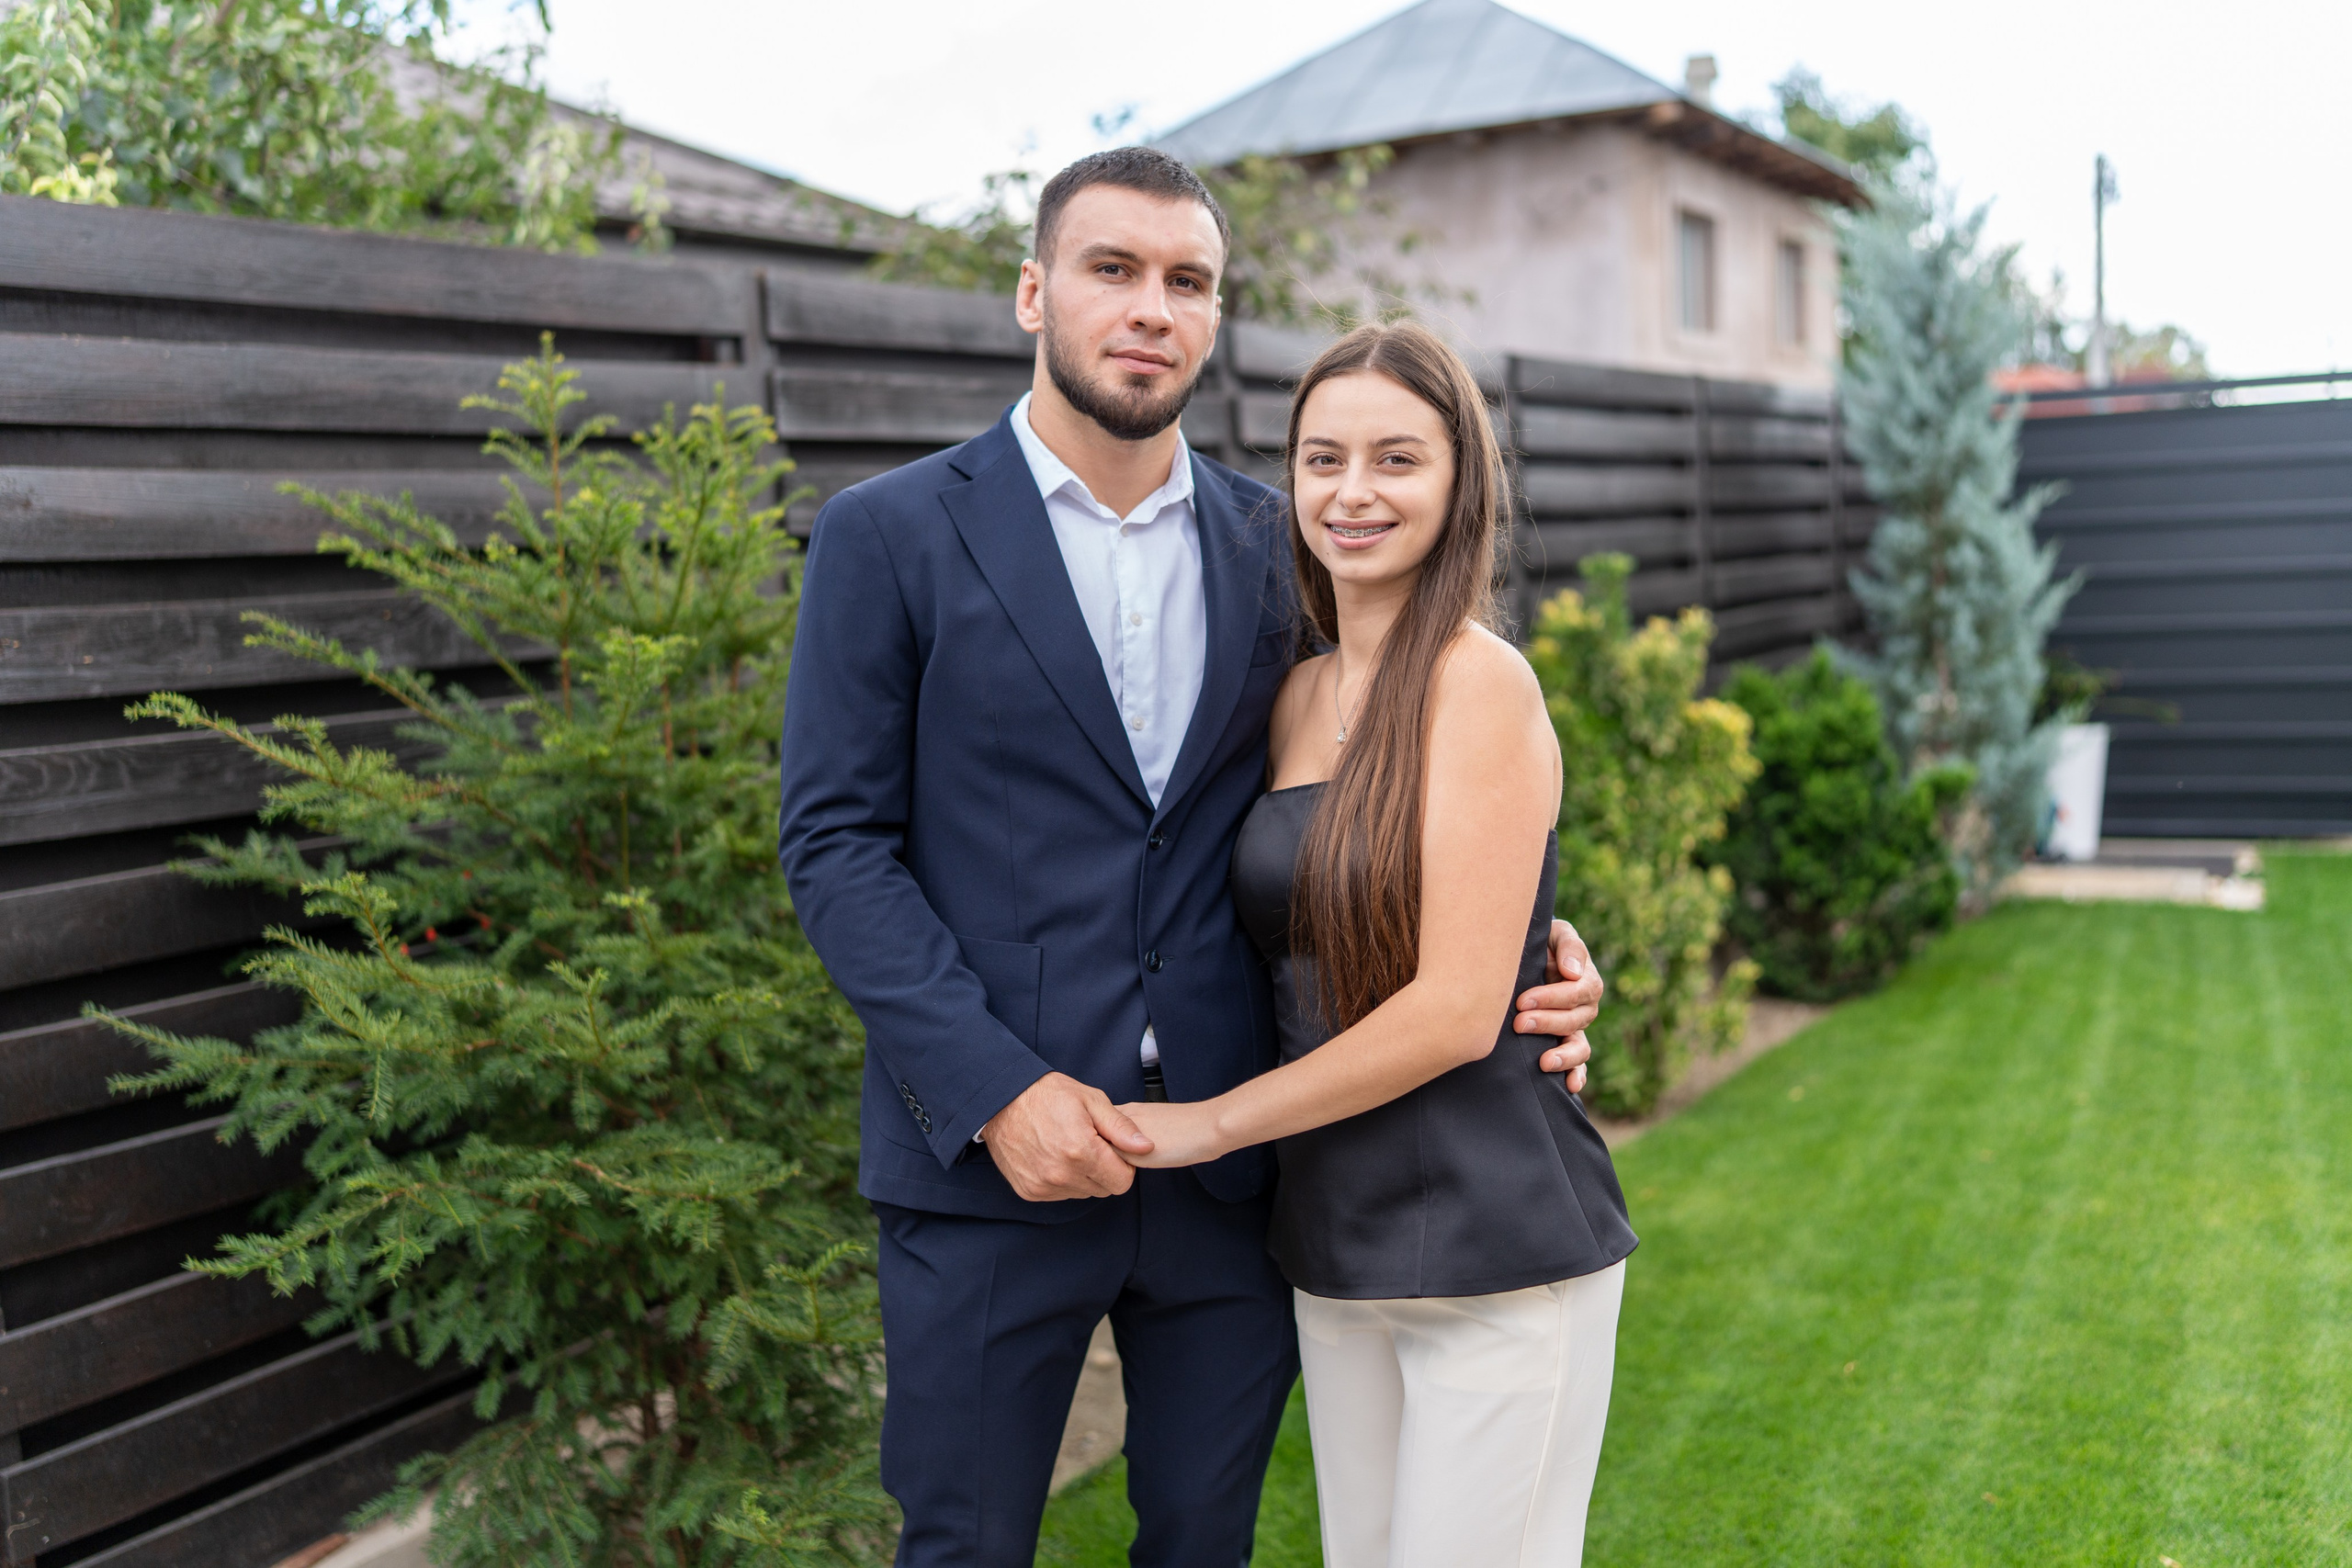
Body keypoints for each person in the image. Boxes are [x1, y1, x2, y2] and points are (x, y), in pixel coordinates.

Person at [776, 147, 1603, 1568]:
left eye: (1188, 281)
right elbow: (836, 847)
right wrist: (998, 1094)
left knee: (1206, 1544)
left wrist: (1537, 943)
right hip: (990, 1167)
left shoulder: (1281, 549)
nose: (1150, 307)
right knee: (962, 1546)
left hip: (1238, 1174)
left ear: (1216, 317)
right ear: (1034, 293)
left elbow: (1382, 793)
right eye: (1112, 269)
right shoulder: (889, 536)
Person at [1118, 321, 1638, 1568]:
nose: (1353, 492)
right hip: (1334, 1241)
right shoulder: (1293, 695)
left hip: (1498, 1237)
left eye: (1397, 459)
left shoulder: (1479, 682)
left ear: (1460, 482)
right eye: (1323, 459)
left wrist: (1208, 1125)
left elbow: (1457, 1010)